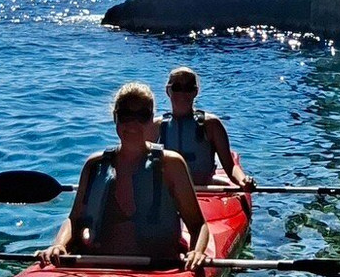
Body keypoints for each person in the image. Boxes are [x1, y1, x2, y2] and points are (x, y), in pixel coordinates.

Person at [36, 82, 210, 270]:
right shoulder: (95, 165)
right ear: (115, 118)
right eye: (125, 115)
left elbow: (198, 225)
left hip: (157, 267)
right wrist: (59, 245)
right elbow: (74, 219)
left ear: (151, 119)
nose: (133, 123)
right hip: (98, 265)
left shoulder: (172, 164)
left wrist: (197, 252)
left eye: (141, 116)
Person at [151, 67, 255, 190]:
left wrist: (243, 181)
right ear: (168, 91)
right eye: (177, 88)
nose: (182, 93)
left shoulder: (211, 125)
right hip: (169, 192)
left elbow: (230, 166)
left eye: (188, 88)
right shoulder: (156, 126)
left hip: (205, 189)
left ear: (196, 92)